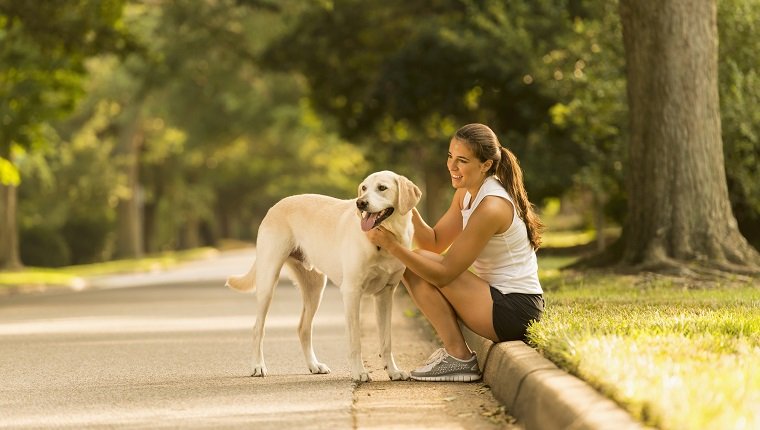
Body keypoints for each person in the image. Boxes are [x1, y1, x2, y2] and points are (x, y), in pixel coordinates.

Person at [365, 123, 544, 382]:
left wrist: (393, 246)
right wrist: (403, 204)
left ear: (485, 165)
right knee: (416, 261)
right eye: (450, 156)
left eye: (462, 160)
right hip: (493, 299)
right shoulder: (466, 193)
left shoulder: (492, 206)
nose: (452, 166)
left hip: (515, 310)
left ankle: (459, 357)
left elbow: (444, 274)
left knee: (414, 263)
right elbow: (434, 242)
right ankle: (457, 355)